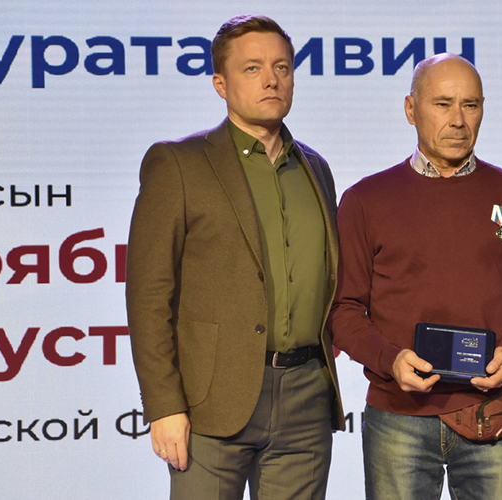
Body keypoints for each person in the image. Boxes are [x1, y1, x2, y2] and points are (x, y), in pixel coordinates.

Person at [125, 14, 344, 500]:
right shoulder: (178, 163)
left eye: (282, 67)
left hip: (306, 399)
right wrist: (164, 406)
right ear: (220, 84)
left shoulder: (316, 168)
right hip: (212, 402)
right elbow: (148, 296)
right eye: (252, 68)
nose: (271, 80)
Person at [328, 53, 502, 500]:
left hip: (494, 414)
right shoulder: (365, 200)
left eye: (470, 105)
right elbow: (344, 309)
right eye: (442, 104)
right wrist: (390, 360)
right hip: (399, 416)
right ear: (411, 109)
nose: (458, 120)